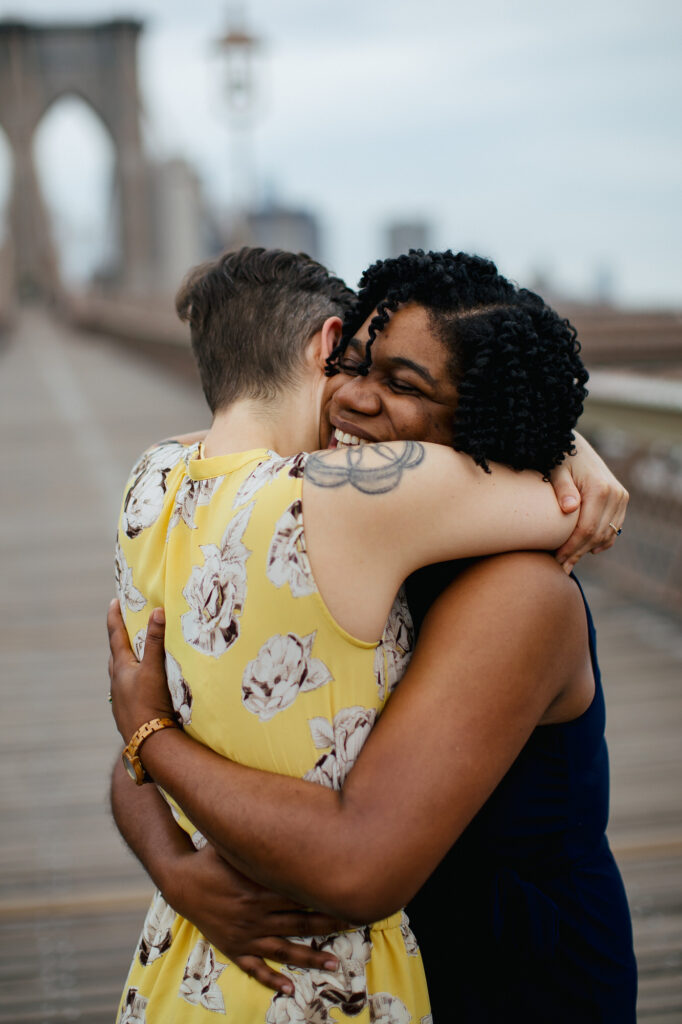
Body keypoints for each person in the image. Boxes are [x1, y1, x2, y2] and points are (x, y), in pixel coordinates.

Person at [109, 248, 634, 1022]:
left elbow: (356, 864)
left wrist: (151, 736)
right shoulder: (336, 529)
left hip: (511, 976)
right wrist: (180, 875)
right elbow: (136, 766)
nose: (351, 397)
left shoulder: (520, 591)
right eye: (350, 365)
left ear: (484, 412)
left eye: (400, 383)